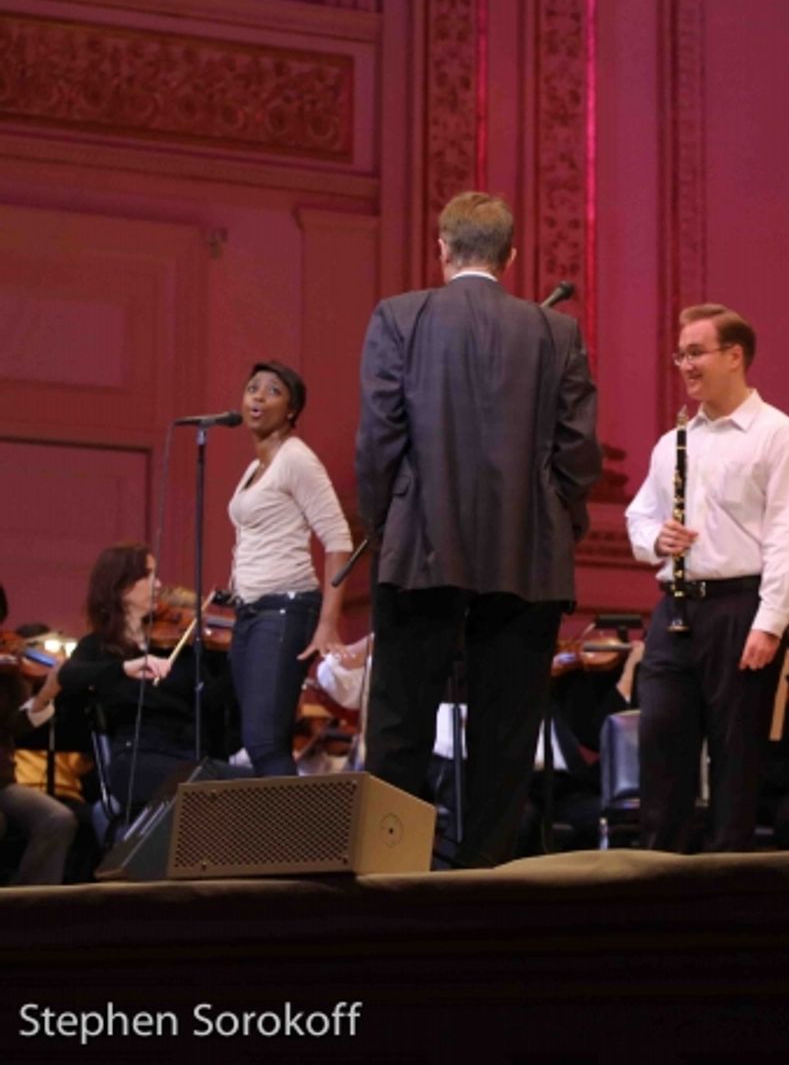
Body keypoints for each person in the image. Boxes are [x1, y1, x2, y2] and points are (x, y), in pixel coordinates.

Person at [356, 190, 601, 868]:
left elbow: (379, 440)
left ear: (442, 249)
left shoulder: (398, 317)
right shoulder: (557, 332)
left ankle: (387, 881)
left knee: (399, 727)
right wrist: (560, 521)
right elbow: (580, 453)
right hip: (529, 554)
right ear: (511, 255)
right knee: (506, 734)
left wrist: (386, 525)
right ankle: (486, 892)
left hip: (420, 547)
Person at [625, 303, 789, 851]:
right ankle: (661, 882)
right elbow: (639, 515)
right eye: (680, 354)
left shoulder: (777, 436)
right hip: (677, 607)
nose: (685, 365)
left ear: (734, 357)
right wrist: (654, 540)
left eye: (695, 352)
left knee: (736, 762)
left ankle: (724, 894)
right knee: (661, 749)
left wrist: (770, 623)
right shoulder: (675, 442)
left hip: (741, 608)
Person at [227, 361, 353, 777]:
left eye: (272, 391)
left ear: (293, 409)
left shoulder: (297, 459)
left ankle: (295, 840)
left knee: (264, 742)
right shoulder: (254, 469)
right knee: (260, 741)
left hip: (285, 609)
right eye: (252, 388)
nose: (258, 397)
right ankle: (278, 839)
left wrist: (327, 625)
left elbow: (339, 542)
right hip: (250, 612)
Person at [57, 544, 197, 814]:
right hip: (135, 759)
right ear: (121, 586)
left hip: (186, 754)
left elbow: (209, 698)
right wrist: (124, 668)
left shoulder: (176, 645)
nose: (158, 584)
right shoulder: (97, 647)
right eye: (148, 576)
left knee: (248, 785)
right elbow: (68, 675)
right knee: (212, 787)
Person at [0, 661, 75, 886]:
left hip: (2, 782)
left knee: (58, 818)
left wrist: (44, 695)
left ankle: (28, 902)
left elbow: (14, 723)